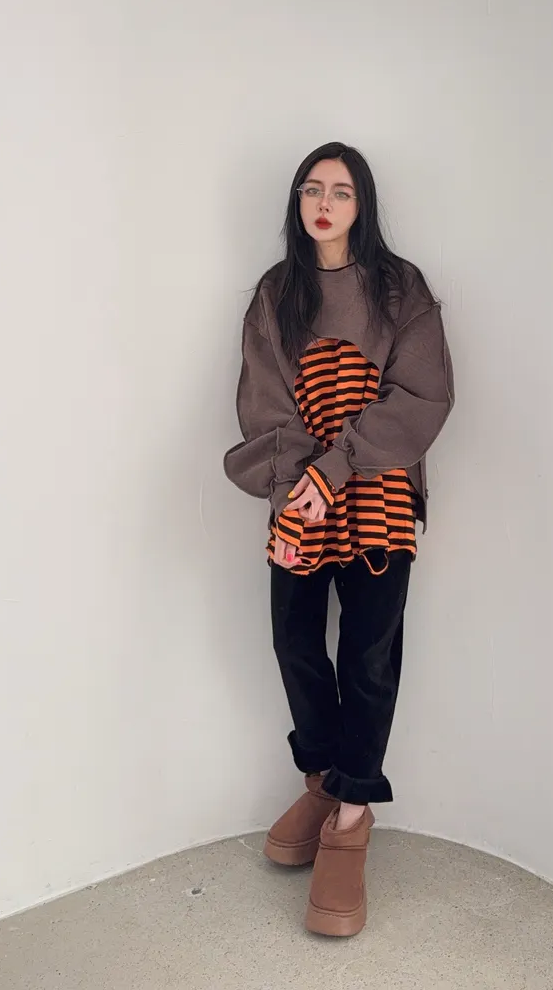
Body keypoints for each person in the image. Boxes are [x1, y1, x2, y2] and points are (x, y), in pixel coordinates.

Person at [223, 142, 454, 937]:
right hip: (302, 495)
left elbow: (422, 395)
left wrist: (339, 467)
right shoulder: (277, 294)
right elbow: (264, 403)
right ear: (296, 202)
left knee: (367, 654)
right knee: (292, 639)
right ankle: (324, 778)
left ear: (364, 205)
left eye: (342, 192)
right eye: (312, 190)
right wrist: (302, 488)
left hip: (378, 491)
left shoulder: (399, 288)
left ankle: (352, 816)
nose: (324, 204)